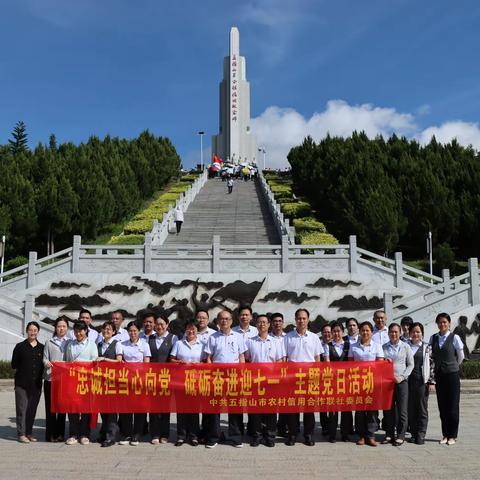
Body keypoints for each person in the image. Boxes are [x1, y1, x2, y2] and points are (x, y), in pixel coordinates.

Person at [284, 308, 328, 446]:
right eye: (299, 318)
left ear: (308, 320)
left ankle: (308, 434)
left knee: (309, 408)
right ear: (295, 320)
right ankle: (292, 434)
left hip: (310, 377)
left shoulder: (314, 337)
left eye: (304, 318)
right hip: (293, 378)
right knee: (293, 408)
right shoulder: (288, 337)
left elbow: (317, 359)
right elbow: (284, 358)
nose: (301, 320)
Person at [204, 310, 247, 448]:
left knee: (234, 407)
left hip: (234, 376)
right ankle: (214, 437)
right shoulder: (212, 337)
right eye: (221, 319)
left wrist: (241, 374)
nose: (224, 321)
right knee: (214, 408)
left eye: (227, 319)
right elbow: (209, 358)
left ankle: (235, 437)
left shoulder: (238, 337)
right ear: (218, 321)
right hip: (217, 376)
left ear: (231, 321)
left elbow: (242, 357)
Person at [245, 315, 285, 447]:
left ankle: (270, 436)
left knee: (271, 410)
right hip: (255, 381)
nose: (262, 324)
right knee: (255, 410)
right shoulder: (250, 341)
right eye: (259, 322)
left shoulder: (276, 342)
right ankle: (257, 436)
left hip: (271, 381)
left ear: (269, 325)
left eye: (264, 322)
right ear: (256, 325)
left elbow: (279, 361)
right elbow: (248, 360)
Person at [429, 312, 465, 445]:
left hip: (452, 375)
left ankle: (453, 435)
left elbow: (460, 356)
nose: (442, 324)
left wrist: (453, 365)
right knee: (442, 406)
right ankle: (445, 434)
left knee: (453, 406)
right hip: (439, 375)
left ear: (449, 323)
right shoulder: (434, 338)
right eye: (440, 322)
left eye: (444, 322)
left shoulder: (454, 337)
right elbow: (431, 357)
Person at [348, 321, 384, 446]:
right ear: (359, 331)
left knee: (372, 410)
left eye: (367, 330)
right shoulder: (353, 346)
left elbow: (380, 364)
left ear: (371, 332)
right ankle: (361, 435)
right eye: (363, 330)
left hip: (372, 382)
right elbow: (350, 364)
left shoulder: (377, 346)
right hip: (358, 382)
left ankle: (371, 435)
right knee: (360, 410)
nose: (365, 332)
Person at [64, 320, 99, 445]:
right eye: (76, 331)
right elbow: (67, 361)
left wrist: (80, 364)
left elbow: (94, 361)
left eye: (81, 331)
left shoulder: (92, 344)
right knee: (72, 407)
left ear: (86, 331)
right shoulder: (70, 345)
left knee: (85, 408)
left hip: (86, 380)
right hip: (72, 380)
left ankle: (85, 434)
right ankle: (73, 433)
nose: (78, 333)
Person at [169, 319, 203, 446]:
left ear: (197, 331)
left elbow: (206, 362)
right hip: (180, 382)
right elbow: (171, 359)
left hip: (196, 381)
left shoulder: (202, 344)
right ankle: (181, 436)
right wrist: (179, 362)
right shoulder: (178, 343)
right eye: (188, 328)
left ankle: (194, 436)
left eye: (193, 328)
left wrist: (200, 365)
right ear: (185, 330)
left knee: (194, 410)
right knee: (181, 410)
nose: (191, 331)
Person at [117, 321, 151, 446]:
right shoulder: (122, 344)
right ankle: (126, 434)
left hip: (140, 380)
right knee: (125, 408)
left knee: (139, 408)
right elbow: (120, 361)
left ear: (139, 331)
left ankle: (137, 434)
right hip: (125, 380)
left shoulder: (144, 345)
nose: (132, 333)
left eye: (135, 331)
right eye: (130, 331)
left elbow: (146, 363)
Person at [11, 321, 44, 444]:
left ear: (38, 332)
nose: (33, 332)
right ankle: (21, 434)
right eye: (31, 330)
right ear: (27, 331)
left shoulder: (42, 347)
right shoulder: (20, 346)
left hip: (36, 385)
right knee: (22, 410)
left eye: (35, 330)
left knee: (31, 410)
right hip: (21, 384)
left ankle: (29, 433)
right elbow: (14, 364)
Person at [382, 323, 414, 445]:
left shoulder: (405, 346)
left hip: (402, 382)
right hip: (387, 383)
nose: (393, 334)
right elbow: (379, 362)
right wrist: (385, 362)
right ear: (388, 333)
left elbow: (411, 364)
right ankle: (389, 434)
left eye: (396, 332)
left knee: (402, 410)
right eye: (391, 332)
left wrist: (402, 377)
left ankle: (400, 435)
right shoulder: (384, 347)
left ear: (400, 333)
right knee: (388, 410)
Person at [148, 315, 178, 444]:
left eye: (162, 324)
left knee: (165, 407)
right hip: (152, 378)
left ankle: (164, 434)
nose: (159, 326)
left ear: (167, 324)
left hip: (167, 378)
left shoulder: (173, 338)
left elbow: (174, 357)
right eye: (157, 324)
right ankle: (154, 433)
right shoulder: (150, 338)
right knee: (153, 407)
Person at [43, 316, 69, 442]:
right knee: (50, 408)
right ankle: (50, 435)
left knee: (62, 408)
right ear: (55, 328)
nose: (61, 328)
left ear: (67, 328)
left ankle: (60, 434)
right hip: (50, 379)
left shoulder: (70, 342)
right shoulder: (49, 342)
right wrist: (47, 363)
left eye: (64, 326)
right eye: (59, 326)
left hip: (64, 380)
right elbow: (44, 358)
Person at [97, 320, 122, 447]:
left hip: (113, 382)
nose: (106, 331)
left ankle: (111, 436)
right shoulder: (99, 344)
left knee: (112, 410)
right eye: (104, 329)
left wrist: (104, 359)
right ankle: (104, 433)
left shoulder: (117, 344)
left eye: (109, 329)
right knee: (103, 409)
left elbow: (119, 361)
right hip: (101, 382)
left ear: (113, 332)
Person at [407, 322, 433, 445]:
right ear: (409, 333)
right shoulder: (405, 346)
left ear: (422, 333)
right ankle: (413, 433)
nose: (415, 334)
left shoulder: (427, 347)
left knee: (422, 409)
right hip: (407, 381)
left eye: (418, 331)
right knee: (410, 408)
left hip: (421, 381)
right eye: (413, 331)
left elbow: (432, 364)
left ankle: (421, 434)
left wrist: (431, 382)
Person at [327, 322, 352, 442]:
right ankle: (332, 434)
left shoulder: (349, 345)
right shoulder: (327, 346)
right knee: (332, 409)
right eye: (334, 331)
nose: (336, 333)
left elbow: (352, 362)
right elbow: (326, 363)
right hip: (332, 381)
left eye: (338, 331)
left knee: (346, 409)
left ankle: (345, 433)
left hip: (346, 381)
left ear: (343, 332)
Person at [269, 312, 288, 436]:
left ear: (283, 323)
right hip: (270, 376)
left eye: (280, 321)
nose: (277, 323)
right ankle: (270, 428)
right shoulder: (267, 337)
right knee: (271, 402)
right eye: (275, 321)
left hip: (286, 375)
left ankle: (282, 427)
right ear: (271, 323)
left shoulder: (288, 337)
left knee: (284, 403)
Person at [319, 323, 332, 436]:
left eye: (329, 332)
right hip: (320, 378)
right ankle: (324, 427)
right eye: (325, 332)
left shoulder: (337, 344)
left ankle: (332, 425)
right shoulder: (318, 343)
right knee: (323, 404)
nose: (327, 334)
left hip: (335, 379)